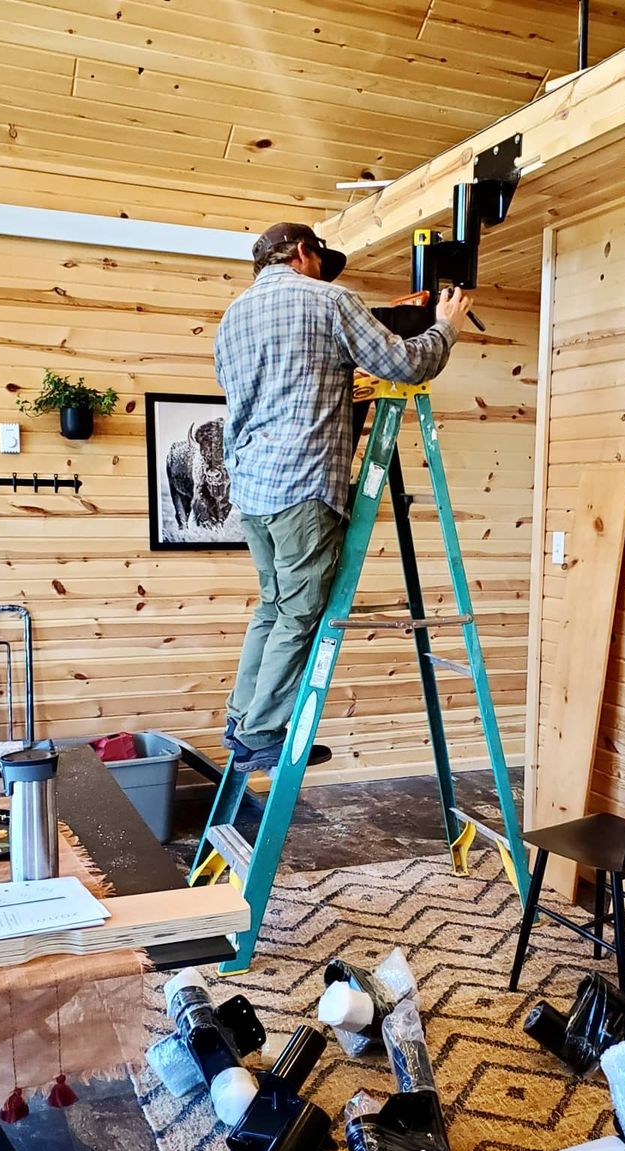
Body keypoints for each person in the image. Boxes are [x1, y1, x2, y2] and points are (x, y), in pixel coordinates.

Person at [214, 221, 472, 772]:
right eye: (319, 260)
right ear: (304, 253)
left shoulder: (232, 317)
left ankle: (241, 717)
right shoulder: (329, 301)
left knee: (272, 606)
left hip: (252, 491)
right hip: (303, 485)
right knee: (301, 615)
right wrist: (445, 326)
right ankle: (261, 733)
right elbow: (406, 364)